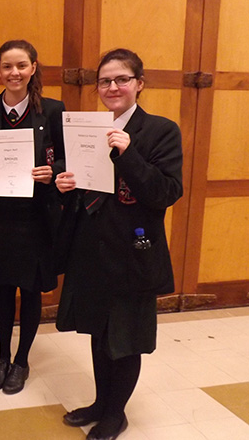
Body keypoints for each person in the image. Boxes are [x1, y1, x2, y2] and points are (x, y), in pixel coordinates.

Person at [55, 48, 183, 440]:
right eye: (105, 81)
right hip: (92, 249)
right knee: (98, 331)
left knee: (125, 339)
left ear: (139, 84)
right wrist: (66, 184)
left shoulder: (161, 130)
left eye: (122, 79)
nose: (113, 87)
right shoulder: (88, 129)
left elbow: (165, 192)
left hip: (133, 252)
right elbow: (87, 186)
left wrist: (128, 153)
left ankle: (115, 414)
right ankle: (100, 403)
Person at [0, 39, 65, 395]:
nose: (14, 73)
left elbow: (67, 159)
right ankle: (2, 356)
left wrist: (52, 171)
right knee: (3, 287)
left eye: (21, 66)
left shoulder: (52, 110)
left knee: (29, 289)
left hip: (35, 217)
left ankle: (22, 360)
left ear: (33, 68)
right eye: (7, 66)